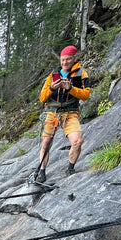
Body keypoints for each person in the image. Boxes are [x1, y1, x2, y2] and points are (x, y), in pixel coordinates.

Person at [36, 45, 91, 182]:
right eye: (62, 60)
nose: (65, 62)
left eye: (68, 59)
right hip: (51, 112)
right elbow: (42, 98)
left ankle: (70, 168)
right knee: (46, 143)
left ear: (74, 58)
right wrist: (51, 88)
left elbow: (85, 95)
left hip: (70, 113)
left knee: (77, 142)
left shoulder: (81, 74)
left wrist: (70, 88)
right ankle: (42, 172)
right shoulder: (52, 75)